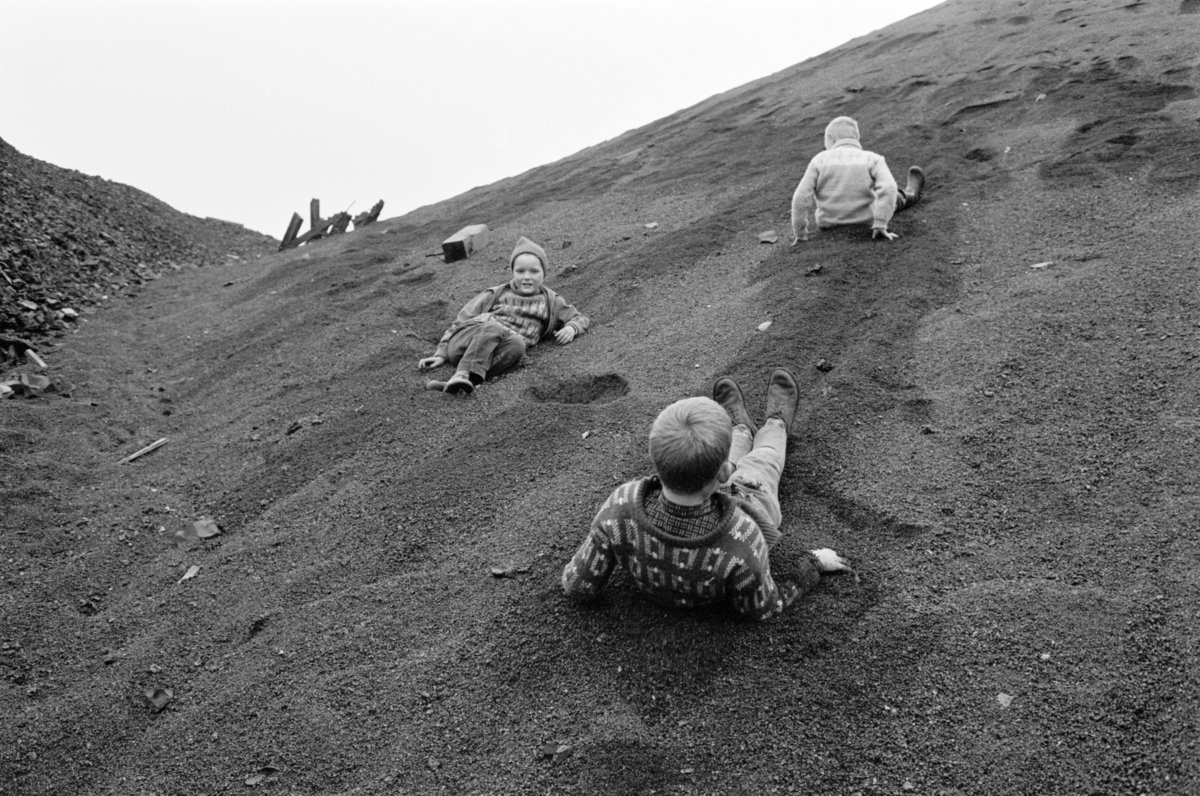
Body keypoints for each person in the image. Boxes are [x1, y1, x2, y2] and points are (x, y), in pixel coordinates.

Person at [562, 369, 849, 621]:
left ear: (657, 464)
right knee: (762, 462)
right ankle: (775, 425)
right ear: (723, 475)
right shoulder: (744, 538)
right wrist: (812, 563)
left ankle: (740, 430)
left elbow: (578, 586)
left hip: (703, 486)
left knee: (723, 459)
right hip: (748, 505)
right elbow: (764, 607)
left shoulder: (620, 506)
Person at [417, 236, 589, 395]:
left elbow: (579, 318)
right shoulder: (496, 294)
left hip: (494, 353)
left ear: (544, 272)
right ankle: (461, 374)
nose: (527, 277)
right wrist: (441, 354)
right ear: (512, 271)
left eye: (534, 271)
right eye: (520, 271)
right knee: (493, 327)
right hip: (465, 342)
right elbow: (462, 320)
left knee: (517, 345)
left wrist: (572, 328)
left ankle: (460, 383)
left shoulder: (551, 301)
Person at [790, 115, 925, 244]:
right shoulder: (872, 158)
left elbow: (800, 197)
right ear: (857, 138)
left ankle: (908, 193)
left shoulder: (819, 160)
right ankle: (911, 193)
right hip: (866, 221)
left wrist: (800, 233)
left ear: (830, 138)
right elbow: (889, 187)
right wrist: (880, 224)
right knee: (892, 197)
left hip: (828, 225)